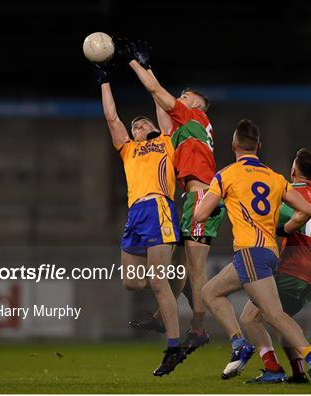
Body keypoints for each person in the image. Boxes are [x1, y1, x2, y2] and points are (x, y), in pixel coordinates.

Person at [194, 119, 311, 387]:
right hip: (269, 253)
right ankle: (265, 361)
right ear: (259, 146)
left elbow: (199, 215)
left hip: (249, 251)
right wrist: (287, 228)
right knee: (210, 292)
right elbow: (306, 210)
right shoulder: (275, 177)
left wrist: (210, 203)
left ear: (234, 145)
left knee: (273, 314)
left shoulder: (226, 175)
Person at [119, 40, 225, 354]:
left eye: (185, 95)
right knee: (179, 265)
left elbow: (157, 90)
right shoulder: (186, 128)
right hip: (193, 198)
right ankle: (160, 317)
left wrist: (135, 63)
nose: (180, 97)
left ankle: (198, 329)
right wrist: (150, 73)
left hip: (202, 196)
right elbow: (161, 108)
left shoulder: (193, 116)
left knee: (194, 268)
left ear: (196, 103)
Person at [95, 64, 185, 376]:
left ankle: (174, 347)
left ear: (153, 126)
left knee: (158, 282)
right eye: (134, 126)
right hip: (135, 214)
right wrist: (105, 81)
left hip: (159, 208)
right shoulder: (129, 150)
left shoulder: (166, 142)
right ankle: (174, 289)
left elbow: (161, 105)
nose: (137, 126)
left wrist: (145, 68)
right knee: (132, 282)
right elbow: (111, 118)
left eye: (142, 122)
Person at [239, 148, 311, 384]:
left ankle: (310, 360)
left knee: (250, 317)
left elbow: (270, 215)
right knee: (280, 318)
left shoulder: (292, 193)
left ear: (294, 170)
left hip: (294, 268)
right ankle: (299, 370)